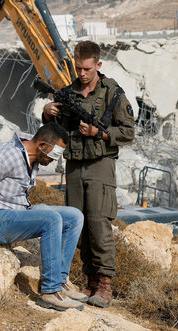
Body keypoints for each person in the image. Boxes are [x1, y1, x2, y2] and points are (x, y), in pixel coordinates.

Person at [42, 41, 135, 308]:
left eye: (87, 69)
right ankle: (88, 280)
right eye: (78, 68)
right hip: (74, 167)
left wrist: (101, 134)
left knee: (99, 224)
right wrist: (47, 114)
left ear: (98, 65)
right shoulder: (68, 92)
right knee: (77, 226)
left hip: (100, 165)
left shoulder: (112, 93)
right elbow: (54, 130)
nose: (82, 74)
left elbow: (128, 131)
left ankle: (103, 285)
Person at [0, 123, 87, 312]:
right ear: (42, 146)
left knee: (74, 216)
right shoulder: (9, 156)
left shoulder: (31, 155)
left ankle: (59, 281)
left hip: (15, 211)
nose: (55, 160)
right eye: (55, 154)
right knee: (51, 219)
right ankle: (50, 292)